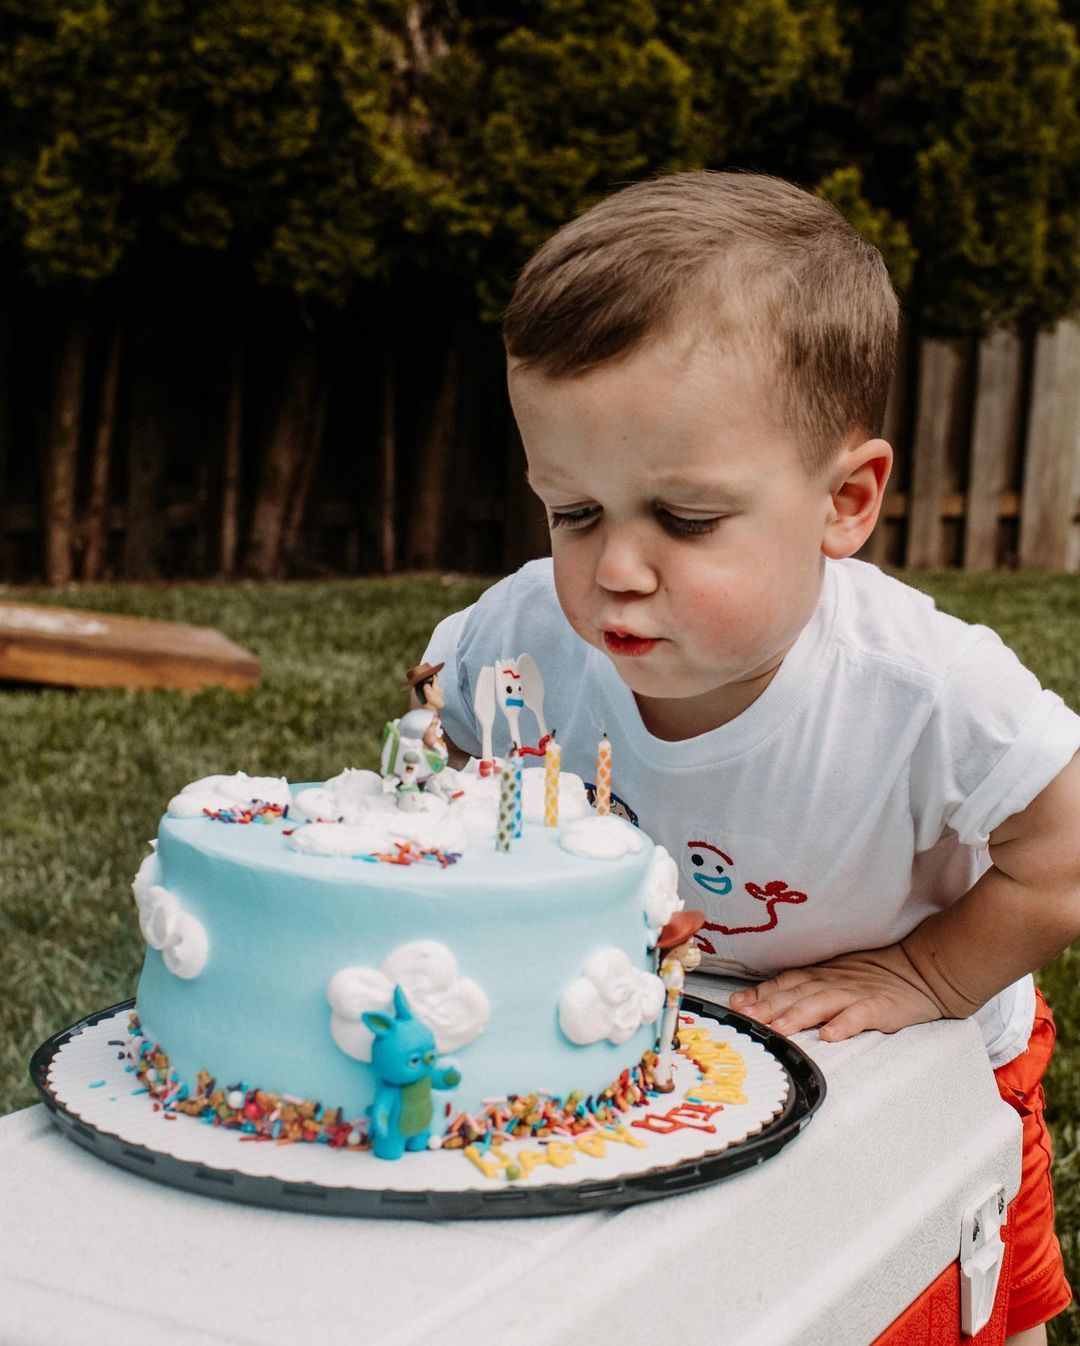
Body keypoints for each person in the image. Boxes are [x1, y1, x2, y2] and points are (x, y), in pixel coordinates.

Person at [419, 172, 1080, 1344]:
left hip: (925, 1052)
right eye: (574, 512)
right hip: (666, 1033)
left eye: (682, 518)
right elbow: (445, 728)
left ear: (846, 500)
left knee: (956, 1288)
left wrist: (927, 975)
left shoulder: (923, 689)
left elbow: (1066, 852)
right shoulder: (525, 635)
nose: (615, 567)